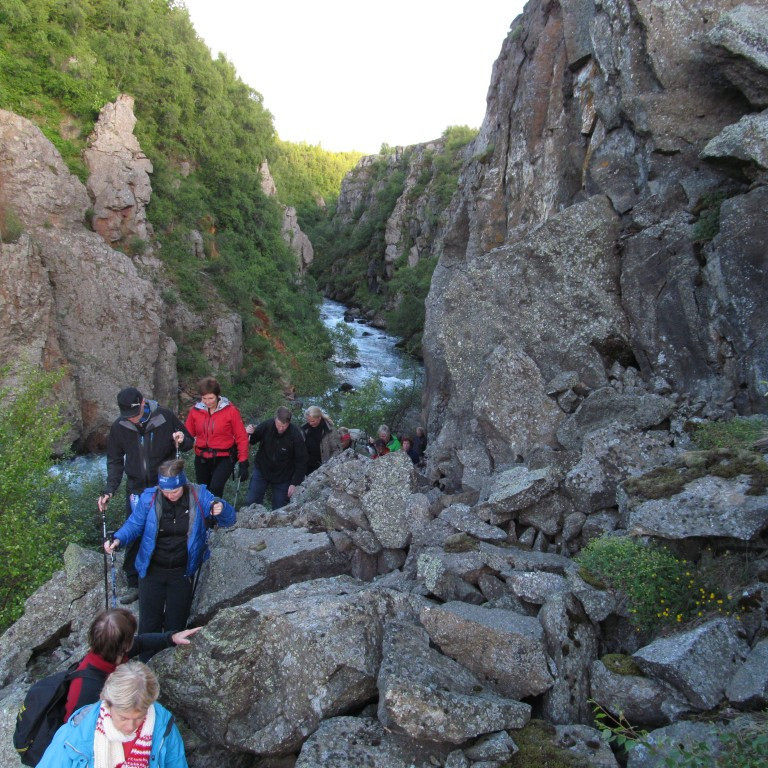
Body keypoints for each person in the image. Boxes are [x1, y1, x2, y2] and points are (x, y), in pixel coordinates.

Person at [104, 459, 235, 657]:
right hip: (151, 570)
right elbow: (134, 524)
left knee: (176, 623)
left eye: (174, 491)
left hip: (182, 572)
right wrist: (118, 539)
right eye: (166, 491)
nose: (170, 495)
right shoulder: (150, 498)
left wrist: (221, 507)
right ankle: (148, 665)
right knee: (149, 623)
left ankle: (171, 666)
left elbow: (229, 520)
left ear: (183, 484)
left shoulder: (199, 495)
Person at [98, 387, 193, 605]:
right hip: (137, 488)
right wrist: (109, 489)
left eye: (135, 415)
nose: (132, 420)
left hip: (165, 487)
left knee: (166, 529)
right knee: (136, 531)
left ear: (143, 403)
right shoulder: (120, 427)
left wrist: (181, 439)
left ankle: (168, 577)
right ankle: (134, 582)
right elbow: (114, 461)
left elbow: (189, 441)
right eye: (127, 416)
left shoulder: (164, 417)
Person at [38, 661, 188, 768]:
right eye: (123, 718)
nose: (130, 727)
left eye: (139, 718)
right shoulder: (75, 732)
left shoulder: (163, 728)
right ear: (108, 703)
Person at [64, 608, 200, 721]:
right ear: (125, 646)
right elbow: (77, 728)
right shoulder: (89, 688)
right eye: (131, 637)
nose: (133, 640)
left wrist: (171, 638)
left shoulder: (107, 652)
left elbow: (140, 642)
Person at [185, 377, 249, 498]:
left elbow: (241, 436)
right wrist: (181, 441)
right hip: (202, 457)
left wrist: (243, 461)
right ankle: (206, 516)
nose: (207, 402)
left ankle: (217, 514)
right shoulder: (195, 411)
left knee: (215, 488)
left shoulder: (231, 411)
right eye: (204, 398)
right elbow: (188, 433)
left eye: (210, 398)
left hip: (224, 457)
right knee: (203, 490)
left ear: (218, 395)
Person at [245, 406, 308, 509]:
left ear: (289, 422)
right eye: (279, 425)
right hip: (262, 469)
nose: (281, 428)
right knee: (252, 502)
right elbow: (252, 440)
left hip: (284, 476)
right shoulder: (267, 426)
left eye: (284, 426)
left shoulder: (295, 435)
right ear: (275, 419)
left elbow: (302, 460)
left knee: (280, 508)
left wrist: (294, 483)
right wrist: (249, 432)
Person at [300, 405, 342, 474]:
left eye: (313, 421)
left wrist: (328, 465)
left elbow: (338, 450)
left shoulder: (330, 431)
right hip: (306, 465)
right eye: (308, 421)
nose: (310, 423)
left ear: (319, 418)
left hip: (321, 467)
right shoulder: (305, 428)